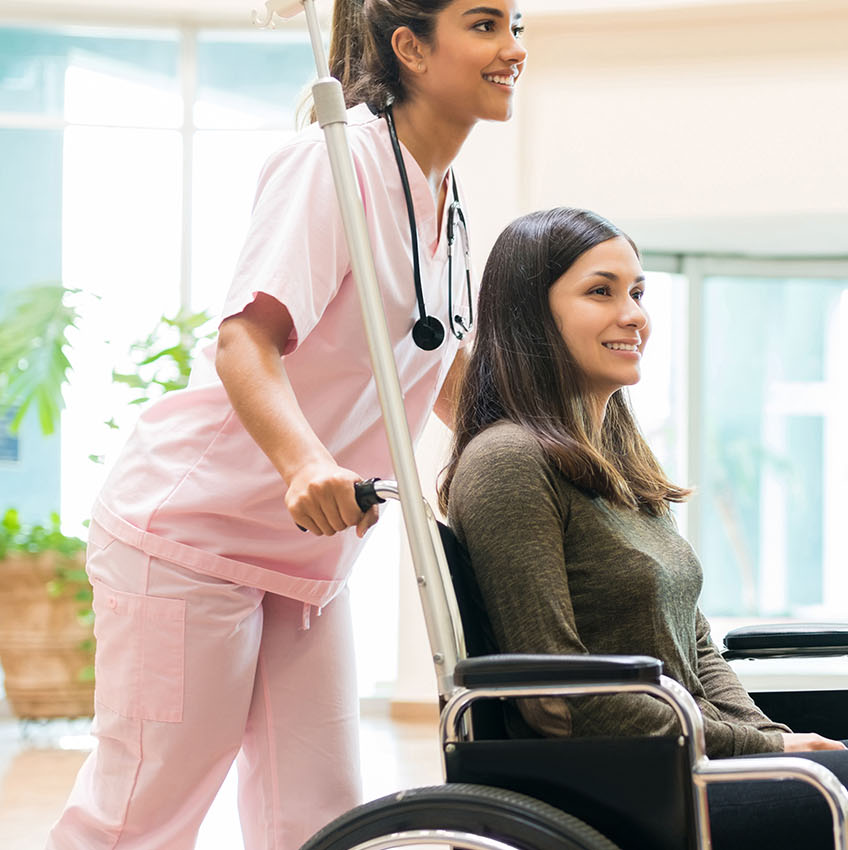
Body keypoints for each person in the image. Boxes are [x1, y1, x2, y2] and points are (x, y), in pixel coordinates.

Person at [441, 207, 848, 850]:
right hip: (633, 788)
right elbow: (556, 700)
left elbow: (697, 650)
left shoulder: (616, 465)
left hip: (696, 760)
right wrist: (764, 751)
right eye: (600, 291)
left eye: (638, 291)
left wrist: (771, 739)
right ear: (531, 312)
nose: (633, 315)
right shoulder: (508, 462)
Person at [47, 2, 526, 848]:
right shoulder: (332, 163)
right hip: (192, 535)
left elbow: (448, 373)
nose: (513, 49)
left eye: (517, 24)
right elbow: (245, 341)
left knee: (316, 817)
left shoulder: (446, 206)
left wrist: (547, 456)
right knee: (143, 813)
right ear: (410, 47)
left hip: (306, 560)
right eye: (485, 24)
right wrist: (306, 465)